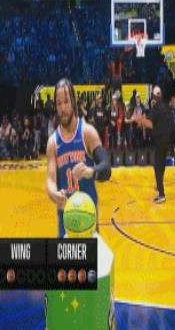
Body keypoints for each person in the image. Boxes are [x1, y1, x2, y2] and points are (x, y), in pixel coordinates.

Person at [46, 78, 111, 237]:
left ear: (73, 102)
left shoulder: (87, 132)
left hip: (88, 223)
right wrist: (53, 193)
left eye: (66, 102)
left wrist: (90, 171)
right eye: (59, 103)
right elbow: (50, 180)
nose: (63, 108)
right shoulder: (53, 142)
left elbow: (106, 167)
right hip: (65, 224)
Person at [132, 86, 172, 203]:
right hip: (167, 139)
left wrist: (139, 118)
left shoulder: (156, 108)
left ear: (154, 95)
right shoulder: (166, 107)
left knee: (157, 166)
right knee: (162, 164)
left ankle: (161, 194)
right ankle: (159, 186)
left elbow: (149, 124)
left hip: (159, 140)